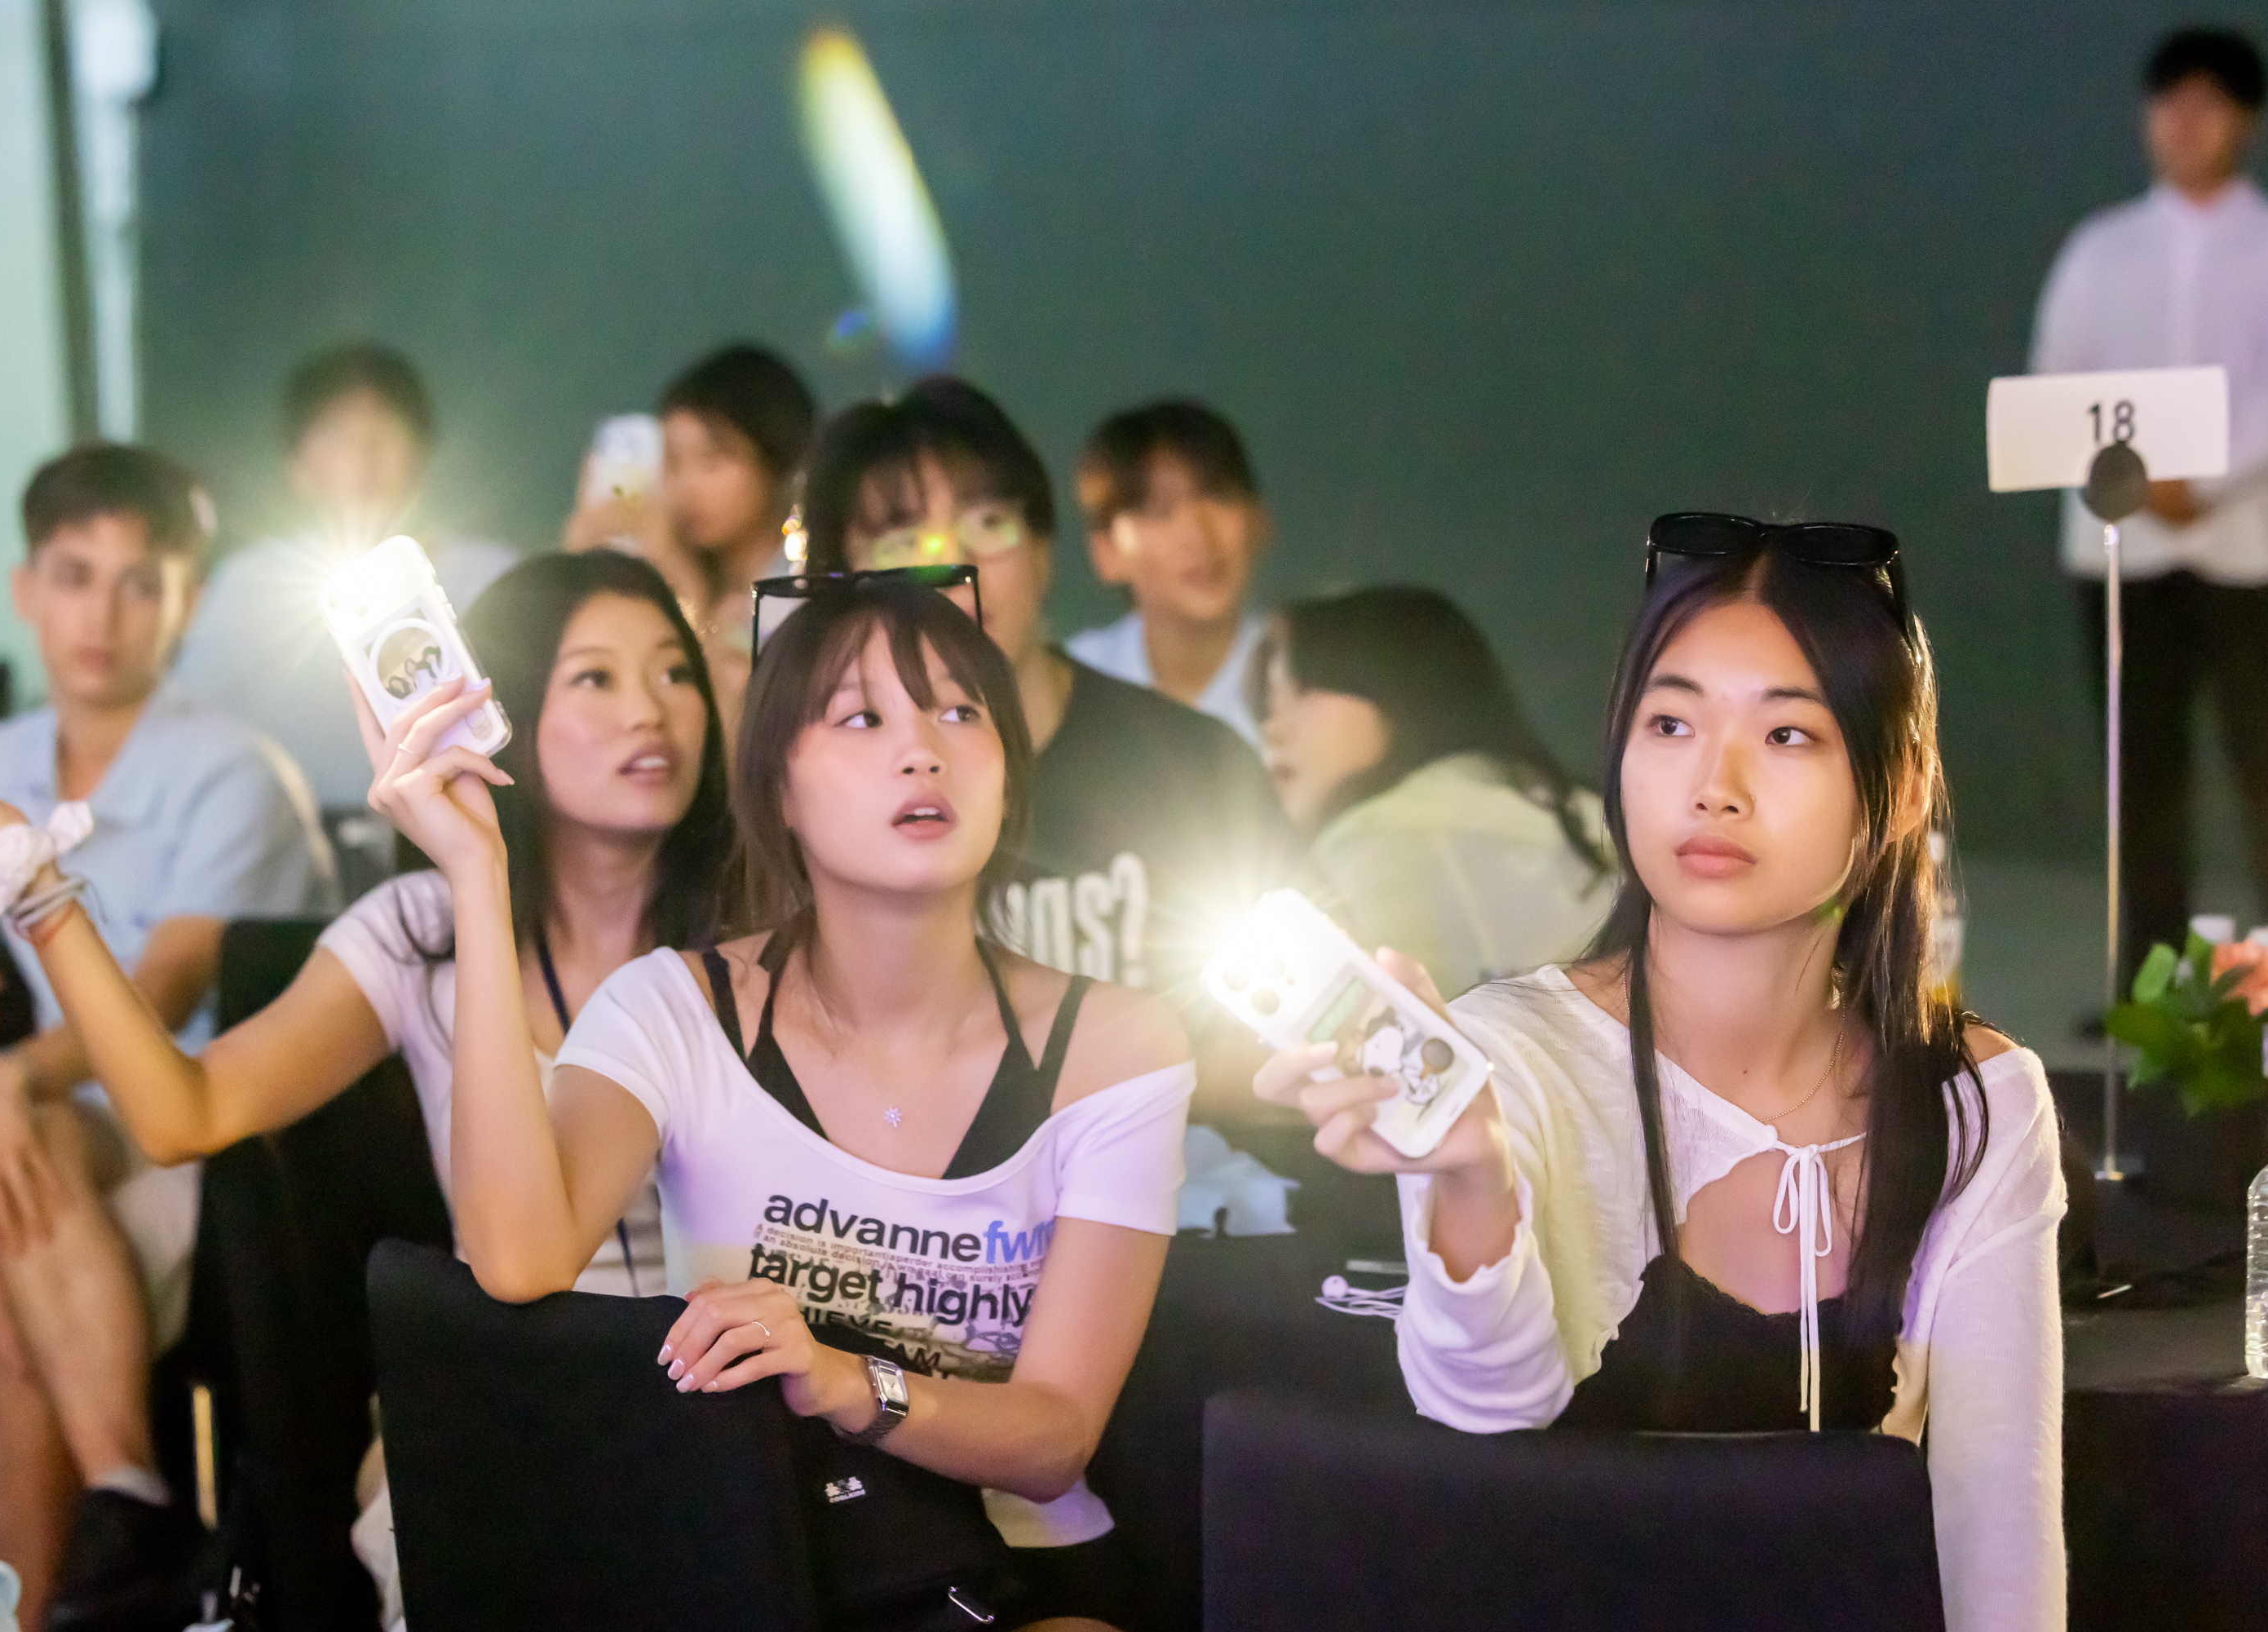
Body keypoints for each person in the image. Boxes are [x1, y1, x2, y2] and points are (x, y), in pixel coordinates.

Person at [1263, 517, 2066, 1630]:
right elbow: (1484, 1415)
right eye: (1672, 723)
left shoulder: (1978, 1100)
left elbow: (2000, 1530)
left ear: (1903, 784)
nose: (1714, 785)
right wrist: (1471, 1177)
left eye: (1788, 734)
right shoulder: (1513, 1055)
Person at [0, 548, 728, 1626]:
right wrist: (30, 877)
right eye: (596, 677)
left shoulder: (760, 941)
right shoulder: (422, 932)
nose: (650, 712)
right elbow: (184, 1112)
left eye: (675, 672)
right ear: (500, 700)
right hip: (510, 1404)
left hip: (729, 1396)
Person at [377, 574, 1192, 1629]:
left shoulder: (1117, 1045)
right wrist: (477, 879)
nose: (923, 750)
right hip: (754, 1554)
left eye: (960, 712)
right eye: (861, 717)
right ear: (778, 791)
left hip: (1012, 1577)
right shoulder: (674, 1008)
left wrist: (847, 1379)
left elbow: (1055, 1441)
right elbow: (518, 1258)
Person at [0, 444, 335, 1631]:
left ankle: (75, 1573)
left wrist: (8, 1078)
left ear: (187, 604)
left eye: (141, 583)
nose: (102, 616)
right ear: (24, 591)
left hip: (214, 1125)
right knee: (17, 1213)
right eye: (74, 576)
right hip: (71, 1124)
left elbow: (158, 990)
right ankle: (128, 1514)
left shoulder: (235, 772)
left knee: (9, 1275)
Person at [801, 379, 1288, 1119]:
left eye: (988, 521)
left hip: (1200, 1178)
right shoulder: (818, 811)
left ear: (1043, 550)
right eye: (905, 541)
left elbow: (1307, 1028)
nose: (955, 560)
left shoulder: (1196, 765)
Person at [2031, 25, 2268, 975]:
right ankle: (2151, 985)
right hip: (2125, 552)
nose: (2184, 123)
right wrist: (2140, 487)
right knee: (2141, 778)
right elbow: (2056, 383)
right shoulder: (2100, 250)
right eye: (2170, 103)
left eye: (2208, 105)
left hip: (2251, 553)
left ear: (2246, 122)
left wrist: (2195, 484)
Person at [173, 342, 520, 812]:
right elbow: (192, 733)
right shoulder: (249, 586)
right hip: (291, 831)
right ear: (297, 468)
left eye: (386, 433)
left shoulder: (496, 577)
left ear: (422, 456)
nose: (364, 456)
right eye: (337, 436)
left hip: (470, 810)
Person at [1253, 586, 1615, 997]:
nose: (1272, 730)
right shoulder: (1581, 812)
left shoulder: (1376, 841)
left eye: (1298, 691)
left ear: (1393, 681)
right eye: (1267, 708)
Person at [563, 344, 817, 750]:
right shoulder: (681, 577)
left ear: (777, 461)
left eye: (712, 461)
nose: (687, 487)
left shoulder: (805, 591)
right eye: (674, 463)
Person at [1066, 399, 1271, 746]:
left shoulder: (1308, 680)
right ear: (1106, 551)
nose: (1197, 534)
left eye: (1218, 497)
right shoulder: (1075, 687)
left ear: (1259, 518)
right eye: (1160, 510)